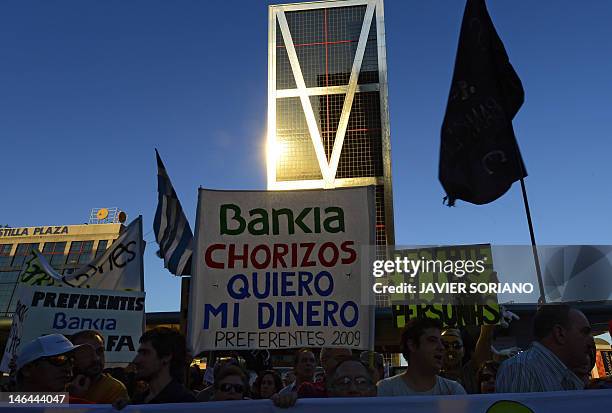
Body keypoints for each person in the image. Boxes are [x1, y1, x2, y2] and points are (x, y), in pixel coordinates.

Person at [496, 304, 592, 392]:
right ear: (559, 334)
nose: (591, 341)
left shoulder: (565, 374)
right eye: (585, 332)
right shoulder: (521, 369)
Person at [377, 318, 466, 396]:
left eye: (441, 342)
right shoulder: (385, 390)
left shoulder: (453, 391)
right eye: (432, 340)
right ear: (412, 345)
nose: (442, 347)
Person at [15, 334, 93, 403]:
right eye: (59, 359)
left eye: (72, 361)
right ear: (27, 369)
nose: (68, 368)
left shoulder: (84, 408)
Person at [126, 327, 196, 404]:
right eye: (139, 353)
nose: (136, 360)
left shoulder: (184, 402)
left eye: (145, 353)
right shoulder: (138, 400)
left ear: (166, 356)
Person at [68, 330, 129, 403]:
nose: (96, 358)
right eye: (87, 353)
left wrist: (76, 399)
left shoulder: (113, 388)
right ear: (72, 357)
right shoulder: (58, 381)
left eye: (100, 351)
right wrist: (70, 397)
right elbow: (51, 403)